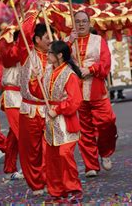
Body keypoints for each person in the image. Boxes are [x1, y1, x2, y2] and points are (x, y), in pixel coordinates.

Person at [29, 41, 83, 203]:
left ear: (59, 55)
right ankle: (57, 190)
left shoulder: (69, 74)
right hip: (50, 121)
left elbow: (75, 101)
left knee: (64, 154)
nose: (47, 55)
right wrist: (35, 78)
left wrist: (58, 109)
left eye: (50, 53)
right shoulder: (48, 71)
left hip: (65, 120)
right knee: (50, 156)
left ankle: (73, 188)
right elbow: (40, 93)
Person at [68, 11, 117, 177]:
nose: (81, 24)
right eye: (77, 22)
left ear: (89, 23)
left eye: (84, 21)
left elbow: (106, 62)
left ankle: (105, 151)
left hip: (96, 88)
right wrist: (69, 42)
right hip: (77, 90)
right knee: (84, 130)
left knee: (107, 122)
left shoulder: (98, 40)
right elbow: (58, 59)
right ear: (73, 24)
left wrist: (91, 69)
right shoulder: (69, 41)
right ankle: (91, 165)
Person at [16, 3, 54, 196]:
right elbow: (24, 31)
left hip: (50, 109)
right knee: (31, 149)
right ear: (37, 39)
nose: (51, 40)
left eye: (52, 37)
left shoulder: (56, 55)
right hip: (30, 109)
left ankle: (50, 180)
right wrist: (34, 11)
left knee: (52, 147)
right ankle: (36, 183)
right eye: (47, 37)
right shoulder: (26, 54)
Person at [0, 30, 23, 180]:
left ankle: (9, 167)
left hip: (26, 96)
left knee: (14, 135)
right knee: (21, 133)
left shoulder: (31, 52)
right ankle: (29, 168)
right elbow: (9, 59)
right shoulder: (9, 52)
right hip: (12, 96)